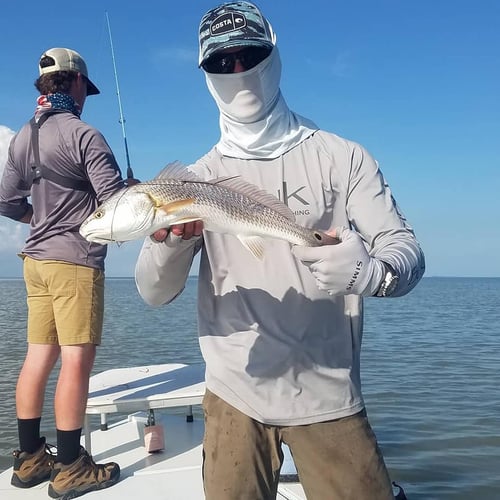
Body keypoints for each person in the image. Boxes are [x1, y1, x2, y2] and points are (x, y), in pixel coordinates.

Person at [135, 2, 425, 499]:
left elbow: (405, 249)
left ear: (275, 55)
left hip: (328, 391)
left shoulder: (342, 157)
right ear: (206, 75)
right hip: (234, 394)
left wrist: (372, 275)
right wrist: (170, 247)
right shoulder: (194, 181)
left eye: (250, 55)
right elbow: (152, 293)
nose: (239, 71)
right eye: (222, 62)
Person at [0, 47, 137, 498]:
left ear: (46, 85)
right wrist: (133, 192)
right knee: (76, 360)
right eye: (86, 88)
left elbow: (4, 201)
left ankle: (30, 459)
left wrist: (40, 220)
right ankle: (71, 465)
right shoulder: (85, 135)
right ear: (76, 84)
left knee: (39, 355)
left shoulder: (23, 137)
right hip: (75, 262)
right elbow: (113, 205)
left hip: (34, 263)